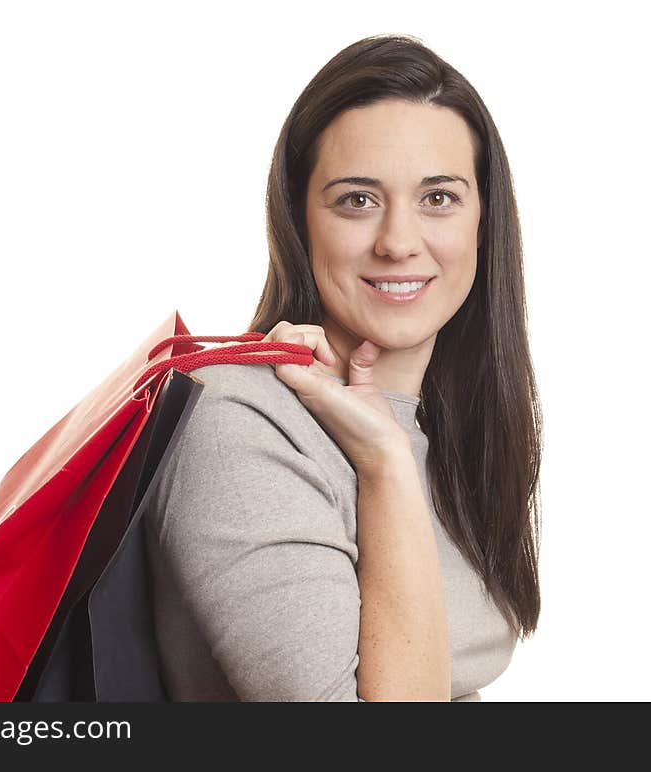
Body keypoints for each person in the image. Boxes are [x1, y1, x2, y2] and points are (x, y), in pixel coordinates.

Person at [143, 33, 542, 701]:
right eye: (358, 199)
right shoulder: (242, 422)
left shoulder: (453, 425)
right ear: (299, 220)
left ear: (484, 219)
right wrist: (382, 462)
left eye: (438, 197)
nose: (398, 242)